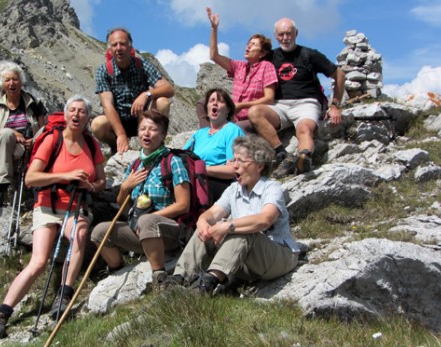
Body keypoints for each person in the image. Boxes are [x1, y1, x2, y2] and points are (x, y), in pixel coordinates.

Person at [0, 95, 106, 339]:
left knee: (80, 234)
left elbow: (101, 180)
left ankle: (64, 295)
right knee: (39, 261)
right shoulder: (53, 138)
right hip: (48, 206)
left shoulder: (92, 145)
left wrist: (92, 187)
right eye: (72, 110)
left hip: (77, 206)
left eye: (82, 111)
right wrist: (65, 176)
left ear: (87, 117)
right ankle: (2, 313)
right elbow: (31, 178)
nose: (76, 114)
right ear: (66, 113)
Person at [167, 134, 300, 296]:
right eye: (233, 160)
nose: (234, 166)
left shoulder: (271, 188)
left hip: (280, 257)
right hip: (247, 261)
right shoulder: (233, 190)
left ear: (259, 166)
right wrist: (203, 223)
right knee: (208, 229)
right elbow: (211, 214)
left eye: (240, 161)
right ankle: (180, 277)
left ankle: (207, 284)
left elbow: (265, 220)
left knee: (244, 231)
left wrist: (228, 226)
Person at [90, 110, 190, 287]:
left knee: (146, 221)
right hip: (140, 229)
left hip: (169, 231)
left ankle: (160, 277)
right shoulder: (135, 165)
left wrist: (150, 219)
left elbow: (183, 205)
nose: (146, 133)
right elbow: (124, 205)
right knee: (99, 232)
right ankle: (117, 270)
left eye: (153, 129)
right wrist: (125, 188)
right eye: (143, 128)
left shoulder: (172, 161)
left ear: (163, 135)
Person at [249, 17, 346, 178]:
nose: (285, 38)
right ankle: (284, 156)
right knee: (255, 112)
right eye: (281, 35)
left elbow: (340, 75)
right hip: (279, 105)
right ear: (275, 35)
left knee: (304, 129)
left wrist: (335, 105)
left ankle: (304, 159)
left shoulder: (310, 55)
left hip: (306, 103)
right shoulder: (270, 58)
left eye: (289, 34)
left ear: (296, 33)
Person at [92, 27, 175, 154]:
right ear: (110, 49)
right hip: (118, 121)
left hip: (142, 118)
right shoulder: (104, 71)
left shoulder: (141, 64)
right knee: (97, 125)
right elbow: (107, 106)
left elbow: (169, 89)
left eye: (123, 44)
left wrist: (146, 94)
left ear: (130, 46)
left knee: (163, 102)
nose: (119, 48)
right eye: (114, 45)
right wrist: (120, 134)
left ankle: (156, 144)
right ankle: (116, 146)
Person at [197, 7, 278, 133]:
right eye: (249, 43)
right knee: (203, 103)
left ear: (262, 53)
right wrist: (214, 29)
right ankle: (206, 136)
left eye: (254, 44)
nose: (248, 46)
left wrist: (241, 106)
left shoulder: (266, 67)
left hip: (251, 118)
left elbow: (269, 98)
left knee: (235, 129)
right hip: (234, 116)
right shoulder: (239, 66)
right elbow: (214, 55)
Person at [0, 60, 47, 207]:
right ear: (2, 84)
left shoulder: (33, 102)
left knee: (46, 133)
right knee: (5, 134)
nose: (12, 83)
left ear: (21, 82)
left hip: (31, 148)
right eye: (7, 80)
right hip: (5, 150)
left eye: (15, 79)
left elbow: (44, 130)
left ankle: (39, 187)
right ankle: (0, 188)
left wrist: (34, 141)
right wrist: (12, 132)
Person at [184, 88, 245, 203]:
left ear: (228, 110)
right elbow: (180, 156)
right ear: (207, 109)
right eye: (211, 101)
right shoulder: (199, 134)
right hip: (196, 177)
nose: (215, 103)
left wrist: (202, 169)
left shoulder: (232, 130)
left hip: (221, 183)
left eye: (220, 101)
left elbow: (233, 170)